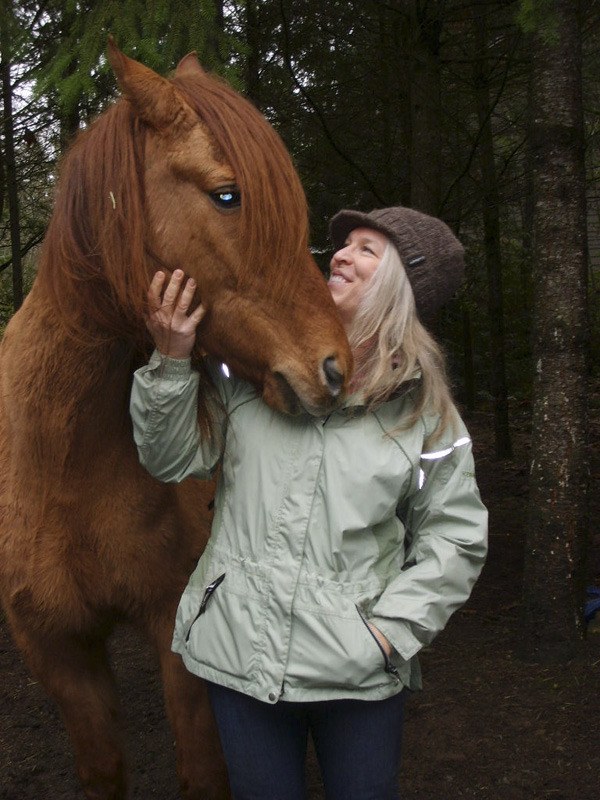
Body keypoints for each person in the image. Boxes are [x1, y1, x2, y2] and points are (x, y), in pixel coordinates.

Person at [129, 206, 488, 800]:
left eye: (368, 249)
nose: (341, 254)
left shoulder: (423, 411)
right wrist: (170, 359)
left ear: (405, 286)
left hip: (359, 667)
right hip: (240, 653)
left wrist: (389, 633)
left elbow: (456, 537)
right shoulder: (251, 374)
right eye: (344, 244)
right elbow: (168, 460)